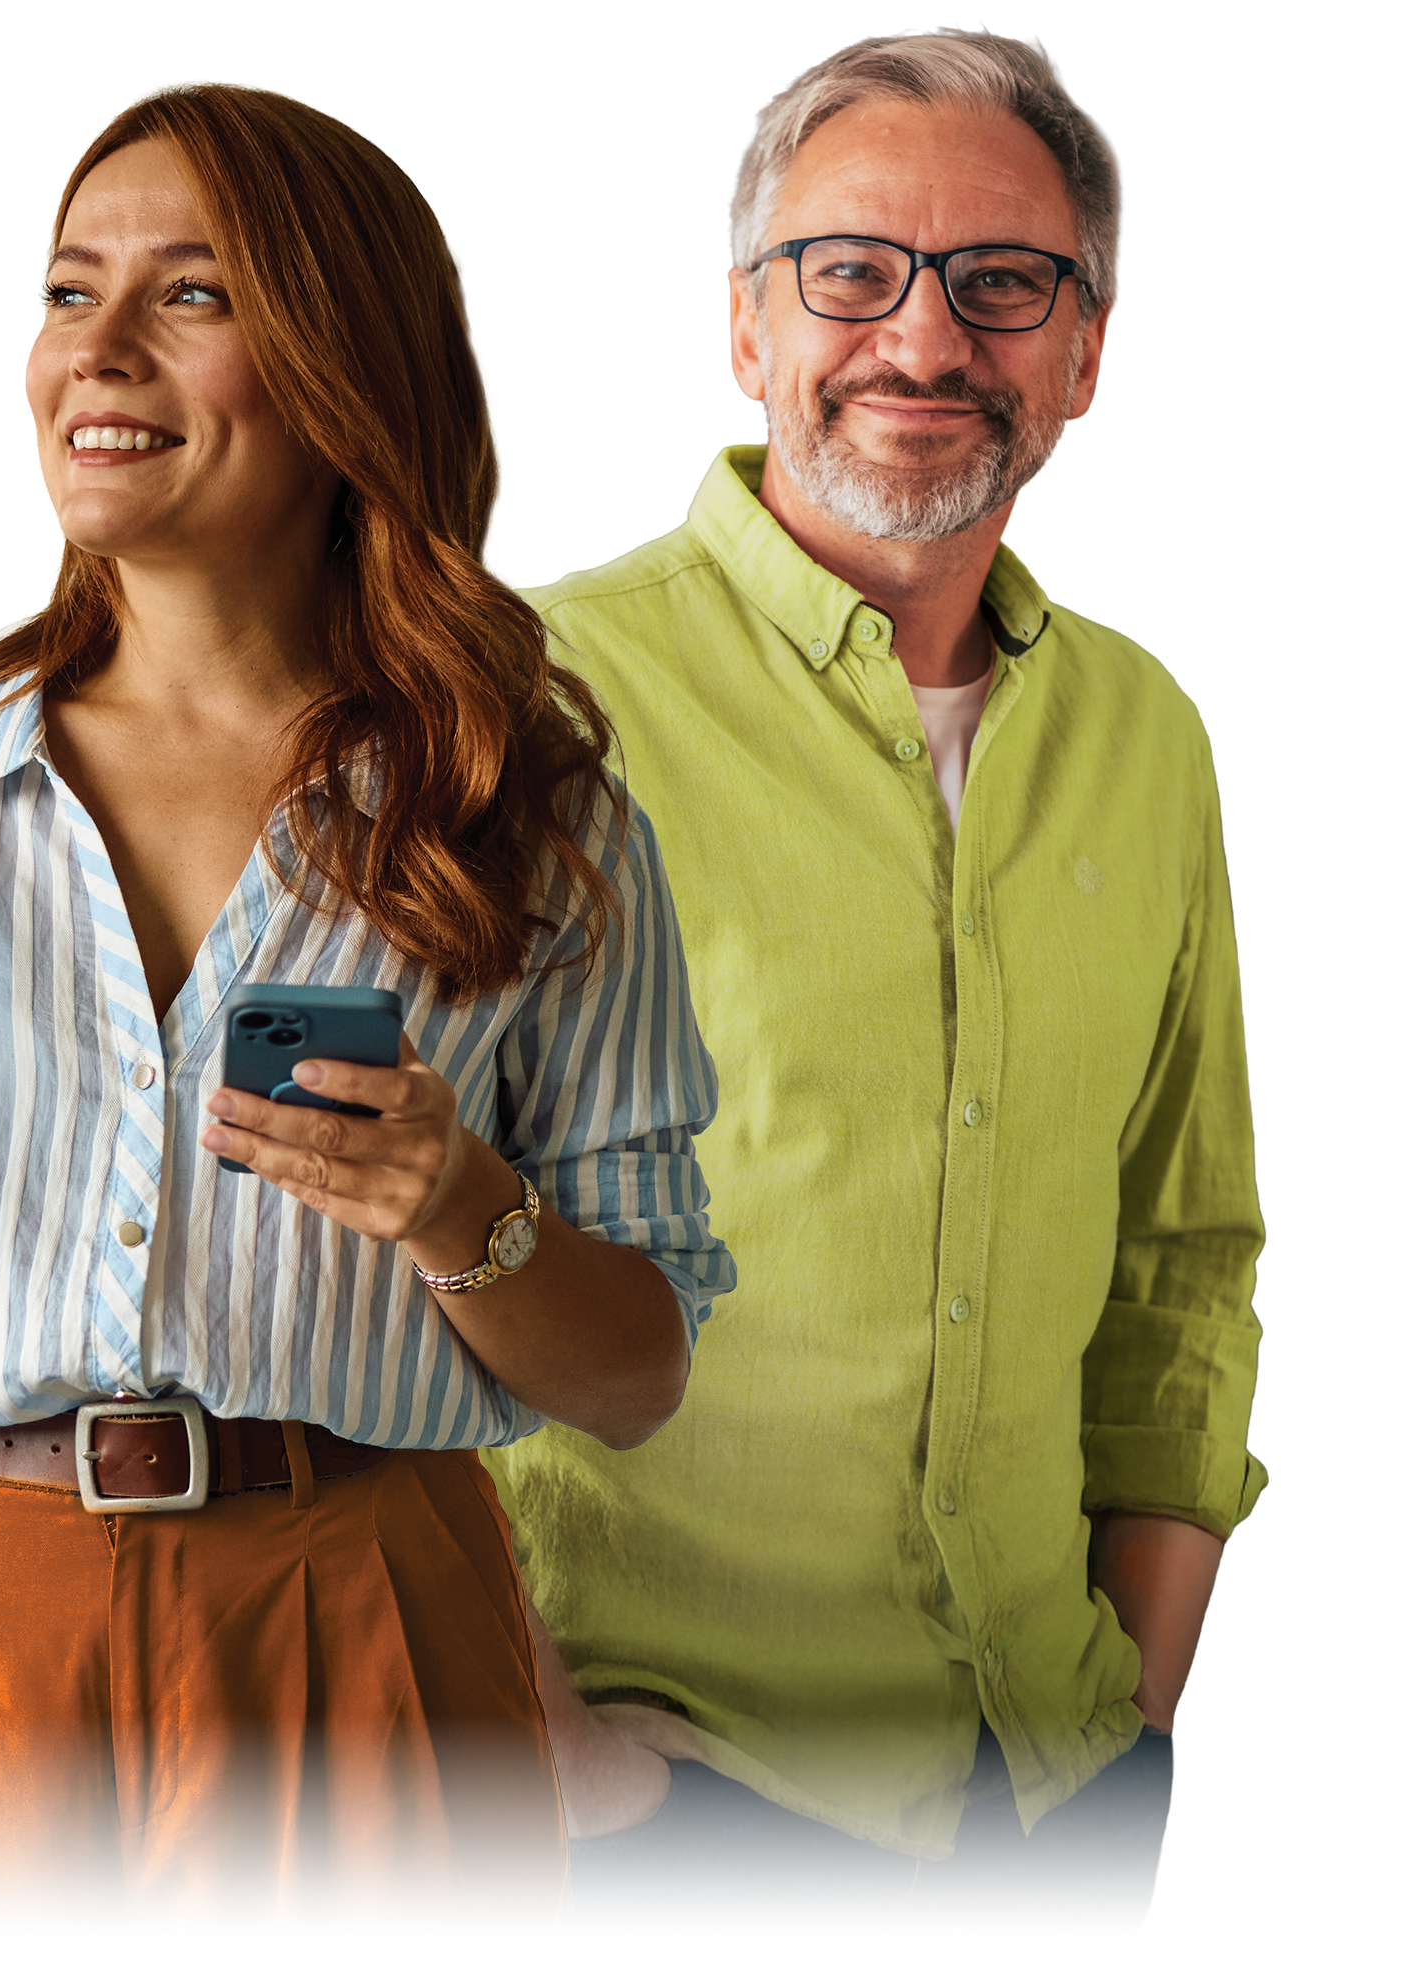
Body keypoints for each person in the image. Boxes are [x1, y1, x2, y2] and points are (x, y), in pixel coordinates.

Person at [0, 79, 734, 1952]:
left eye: (191, 294)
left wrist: (455, 1203)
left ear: (343, 364)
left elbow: (633, 1374)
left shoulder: (526, 816)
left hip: (367, 1612)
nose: (97, 350)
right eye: (69, 292)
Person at [480, 29, 1269, 1953]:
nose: (922, 338)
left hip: (1062, 1789)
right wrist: (562, 1763)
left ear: (1081, 350)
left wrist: (1138, 1685)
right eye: (850, 271)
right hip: (647, 1819)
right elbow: (339, 1268)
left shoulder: (1147, 735)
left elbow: (1180, 1253)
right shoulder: (519, 702)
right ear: (745, 323)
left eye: (1001, 282)